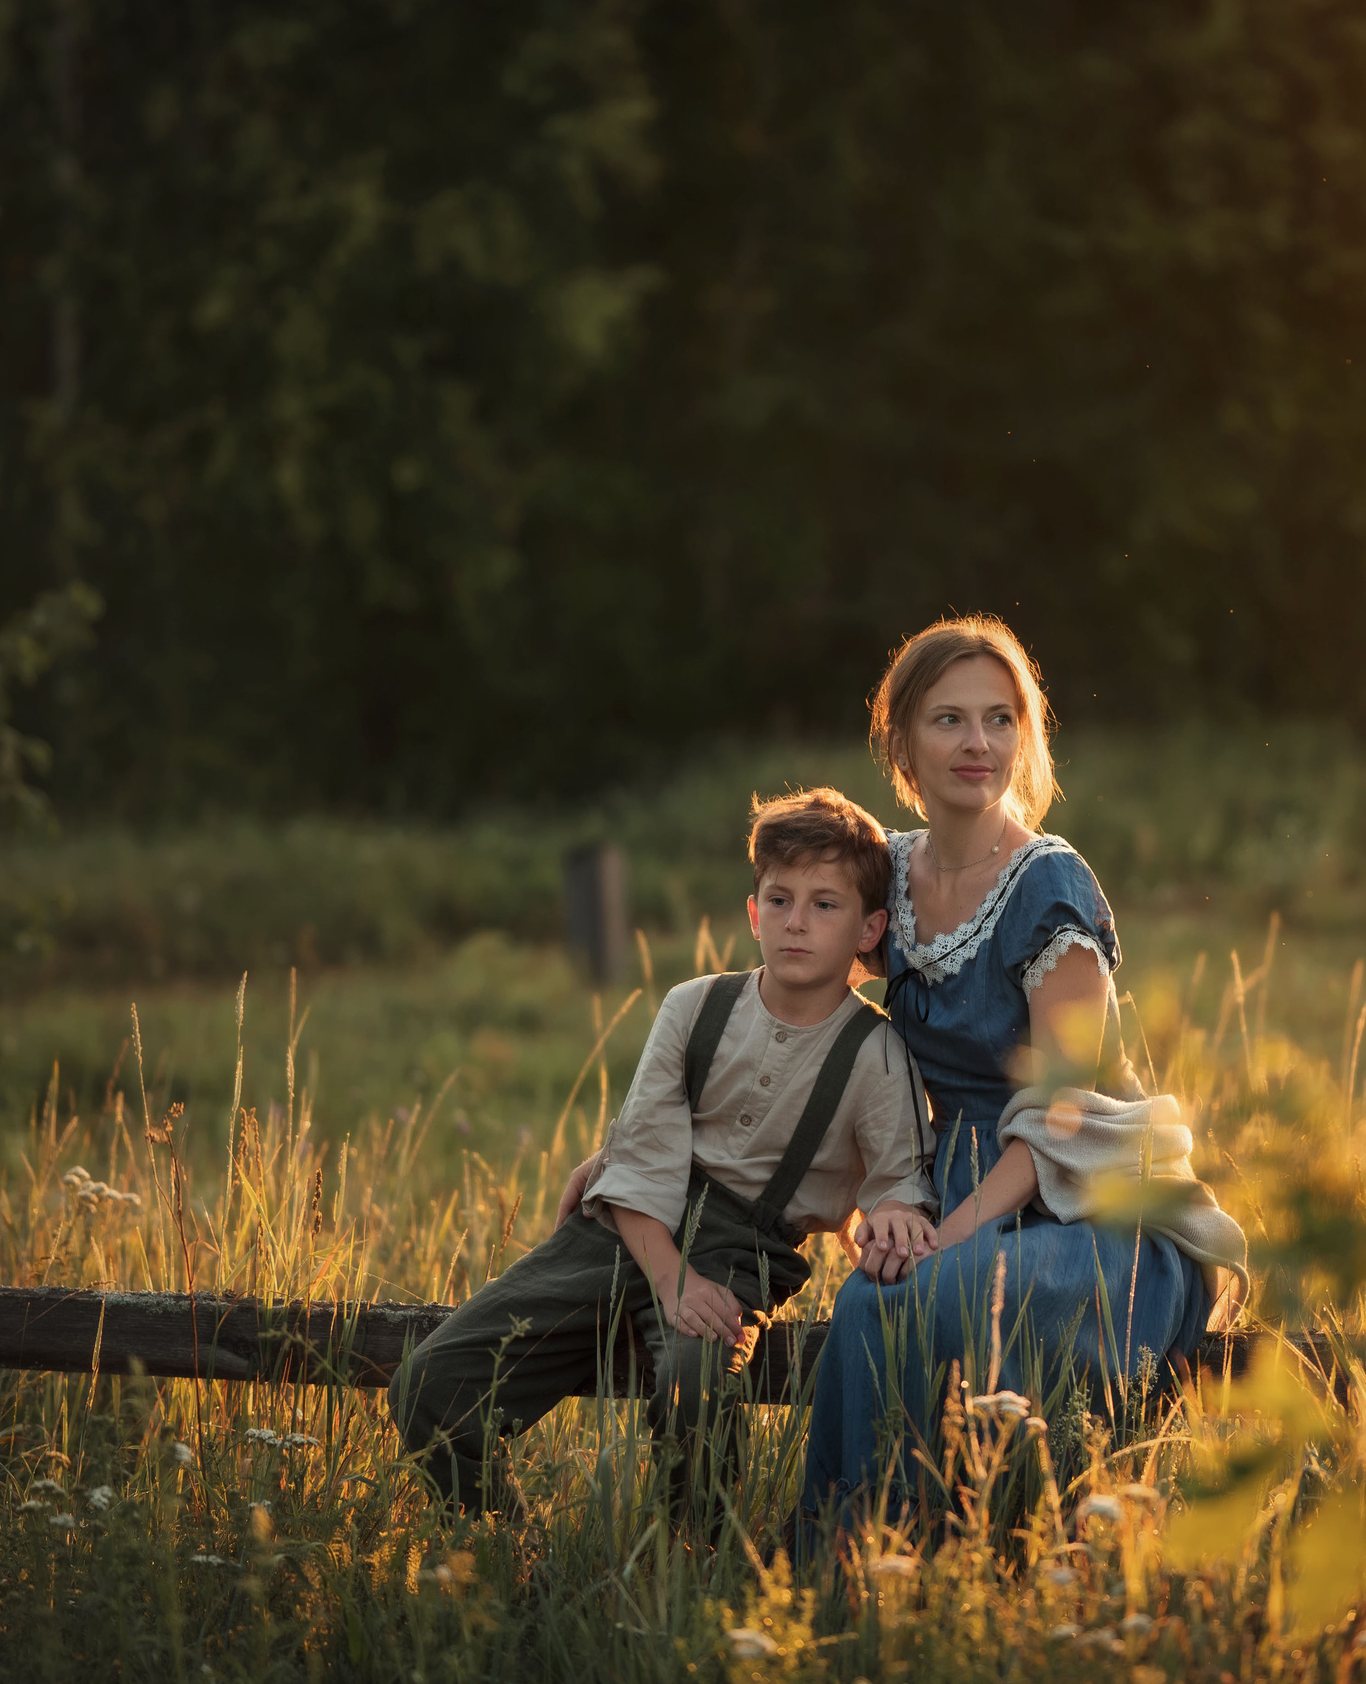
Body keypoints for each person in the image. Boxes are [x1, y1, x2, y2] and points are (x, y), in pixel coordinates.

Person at [798, 616, 1232, 1539]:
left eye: (1001, 719)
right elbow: (787, 1009)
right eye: (950, 720)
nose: (979, 744)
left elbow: (1063, 1114)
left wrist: (949, 1235)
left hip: (1083, 1201)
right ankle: (862, 1556)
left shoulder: (1048, 887)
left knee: (931, 1297)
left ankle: (962, 1541)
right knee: (869, 1300)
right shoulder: (888, 874)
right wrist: (657, 1140)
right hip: (947, 1179)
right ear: (902, 743)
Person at [391, 788, 937, 1521]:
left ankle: (694, 1559)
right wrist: (670, 1278)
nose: (796, 922)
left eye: (825, 905)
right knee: (430, 1381)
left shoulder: (877, 1052)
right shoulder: (694, 1006)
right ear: (754, 913)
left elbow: (901, 1178)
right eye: (779, 900)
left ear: (870, 928)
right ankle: (510, 1556)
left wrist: (897, 1211)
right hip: (623, 1229)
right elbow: (643, 1156)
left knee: (693, 1382)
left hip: (742, 1253)